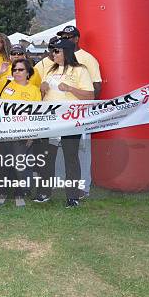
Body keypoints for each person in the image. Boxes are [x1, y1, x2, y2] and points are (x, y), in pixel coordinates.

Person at [37, 38, 94, 208]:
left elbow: (90, 96)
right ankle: (44, 193)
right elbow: (42, 96)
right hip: (50, 120)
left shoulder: (80, 70)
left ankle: (73, 196)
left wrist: (70, 89)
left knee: (71, 157)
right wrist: (43, 88)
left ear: (66, 52)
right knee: (47, 157)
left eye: (56, 51)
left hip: (70, 120)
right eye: (52, 50)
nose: (52, 54)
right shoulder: (50, 69)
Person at [56, 25, 102, 198]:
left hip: (80, 113)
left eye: (69, 37)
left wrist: (87, 108)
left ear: (76, 38)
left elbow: (96, 85)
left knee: (81, 151)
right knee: (63, 149)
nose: (65, 39)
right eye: (63, 37)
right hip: (60, 114)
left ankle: (83, 186)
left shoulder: (87, 59)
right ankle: (65, 183)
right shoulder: (57, 59)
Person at [0, 59, 42, 208]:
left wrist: (32, 134)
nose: (17, 72)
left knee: (18, 165)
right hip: (4, 131)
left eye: (21, 70)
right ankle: (2, 193)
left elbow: (37, 114)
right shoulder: (6, 84)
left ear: (28, 72)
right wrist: (0, 72)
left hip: (23, 133)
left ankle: (19, 193)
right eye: (14, 69)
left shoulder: (34, 90)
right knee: (3, 164)